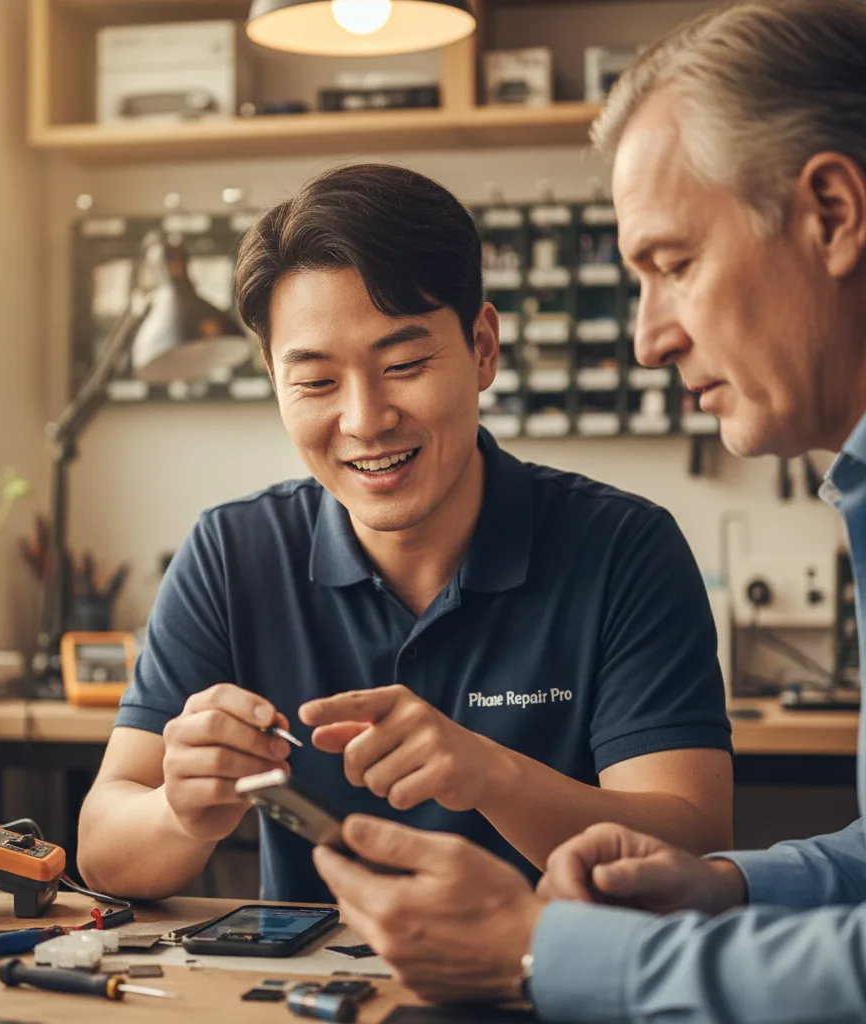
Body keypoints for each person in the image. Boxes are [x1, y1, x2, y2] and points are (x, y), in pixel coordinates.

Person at [312, 1, 866, 1019]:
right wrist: (728, 888)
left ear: (830, 214)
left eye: (673, 264)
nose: (648, 339)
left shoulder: (618, 541)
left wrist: (540, 953)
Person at [76, 163, 732, 906]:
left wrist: (489, 775)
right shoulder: (234, 552)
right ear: (272, 378)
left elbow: (695, 850)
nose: (365, 419)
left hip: (551, 980)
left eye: (406, 364)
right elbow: (102, 850)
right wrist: (177, 811)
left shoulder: (623, 548)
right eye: (317, 382)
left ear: (484, 347)